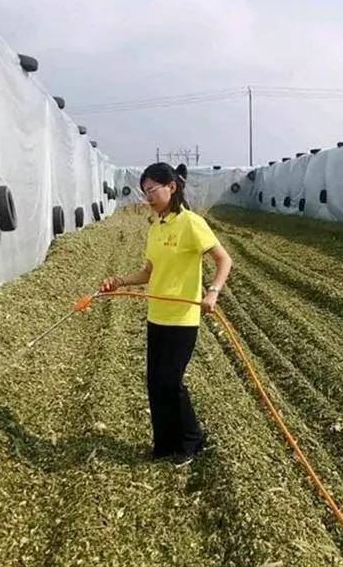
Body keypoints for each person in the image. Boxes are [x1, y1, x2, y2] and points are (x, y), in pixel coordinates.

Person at [99, 162, 233, 467]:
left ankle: (192, 440)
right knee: (155, 383)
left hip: (182, 318)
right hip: (156, 316)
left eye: (153, 189)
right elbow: (149, 272)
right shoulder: (156, 228)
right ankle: (164, 445)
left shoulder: (191, 223)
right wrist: (119, 281)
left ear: (171, 187)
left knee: (171, 382)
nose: (148, 195)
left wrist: (213, 291)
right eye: (144, 190)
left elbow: (224, 259)